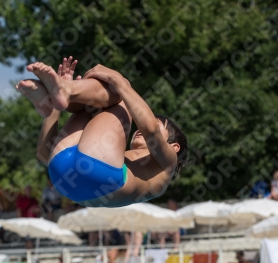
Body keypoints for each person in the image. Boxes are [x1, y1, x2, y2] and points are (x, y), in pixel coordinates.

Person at [16, 57, 188, 208]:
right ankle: (56, 98)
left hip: (100, 175)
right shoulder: (120, 156)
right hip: (63, 175)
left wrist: (118, 79)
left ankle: (67, 90)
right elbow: (43, 153)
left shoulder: (167, 165)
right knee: (95, 104)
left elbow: (150, 129)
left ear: (174, 147)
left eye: (159, 124)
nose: (139, 128)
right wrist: (54, 112)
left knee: (120, 93)